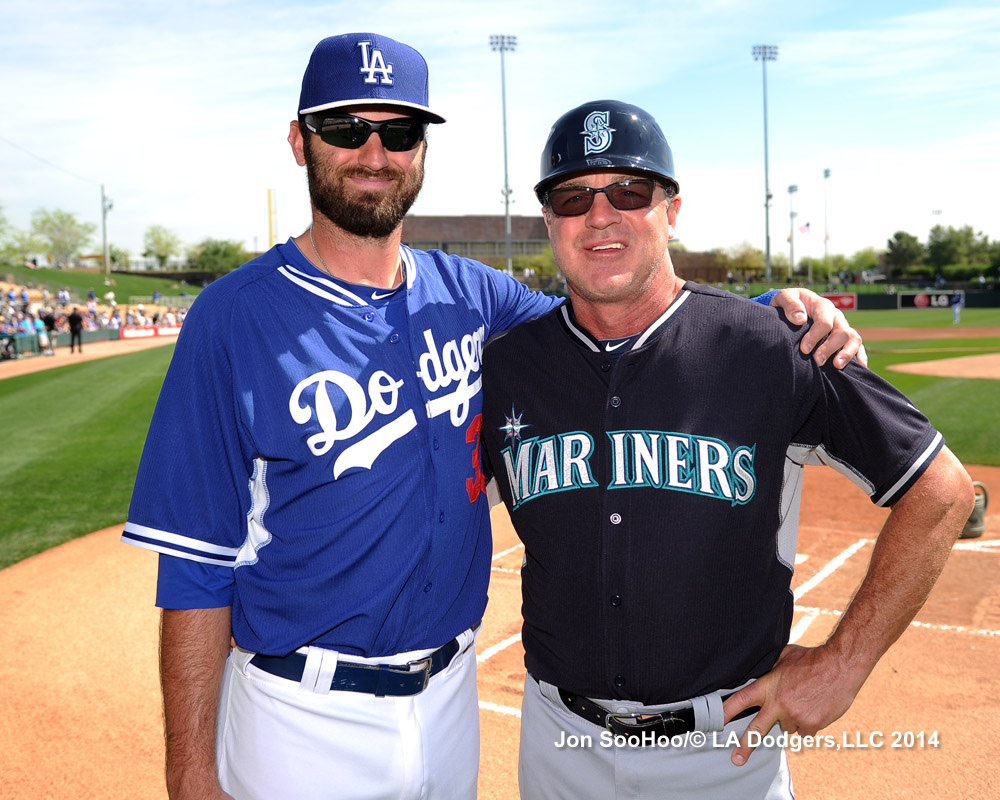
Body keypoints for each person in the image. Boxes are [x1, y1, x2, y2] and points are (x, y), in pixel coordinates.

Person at [121, 37, 863, 800]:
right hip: (300, 716)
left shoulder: (475, 297)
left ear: (421, 151)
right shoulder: (232, 319)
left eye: (399, 131)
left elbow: (619, 318)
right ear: (298, 140)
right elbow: (194, 565)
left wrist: (770, 313)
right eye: (346, 128)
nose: (374, 152)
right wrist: (189, 773)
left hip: (451, 704)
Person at [478, 100, 975, 800]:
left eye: (629, 191)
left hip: (725, 756)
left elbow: (942, 489)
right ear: (549, 221)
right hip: (560, 747)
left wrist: (845, 663)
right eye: (572, 197)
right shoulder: (506, 366)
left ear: (671, 211)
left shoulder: (773, 345)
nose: (600, 216)